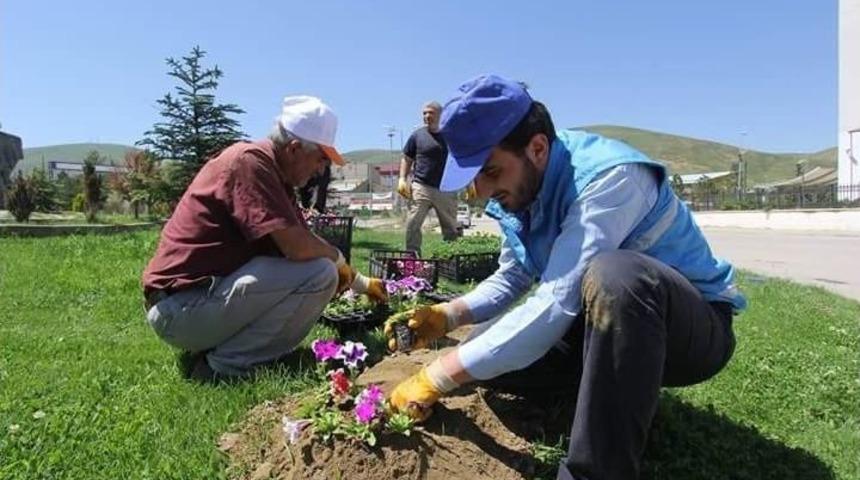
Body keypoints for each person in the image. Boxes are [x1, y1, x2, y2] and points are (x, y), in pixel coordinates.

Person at [386, 75, 746, 480]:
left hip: (690, 331)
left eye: (489, 171)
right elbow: (514, 276)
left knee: (616, 276)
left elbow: (557, 300)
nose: (483, 190)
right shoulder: (522, 185)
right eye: (475, 177)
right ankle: (609, 398)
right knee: (486, 352)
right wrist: (447, 315)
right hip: (605, 323)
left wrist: (438, 374)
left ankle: (594, 470)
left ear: (537, 148)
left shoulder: (609, 178)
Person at [142, 95, 387, 382]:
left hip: (192, 304)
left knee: (318, 268)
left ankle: (223, 348)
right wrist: (337, 259)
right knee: (319, 273)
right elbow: (296, 247)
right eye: (320, 159)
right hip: (179, 311)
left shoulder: (273, 173)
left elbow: (302, 240)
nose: (321, 169)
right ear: (295, 148)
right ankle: (225, 366)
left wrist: (358, 282)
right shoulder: (250, 163)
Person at [398, 101, 460, 253]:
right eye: (424, 113)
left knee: (451, 228)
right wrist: (402, 179)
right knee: (413, 223)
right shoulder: (417, 136)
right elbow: (407, 158)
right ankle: (412, 257)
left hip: (446, 188)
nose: (426, 116)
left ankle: (450, 257)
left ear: (441, 115)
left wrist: (469, 182)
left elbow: (462, 159)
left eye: (430, 113)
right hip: (421, 186)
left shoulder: (451, 135)